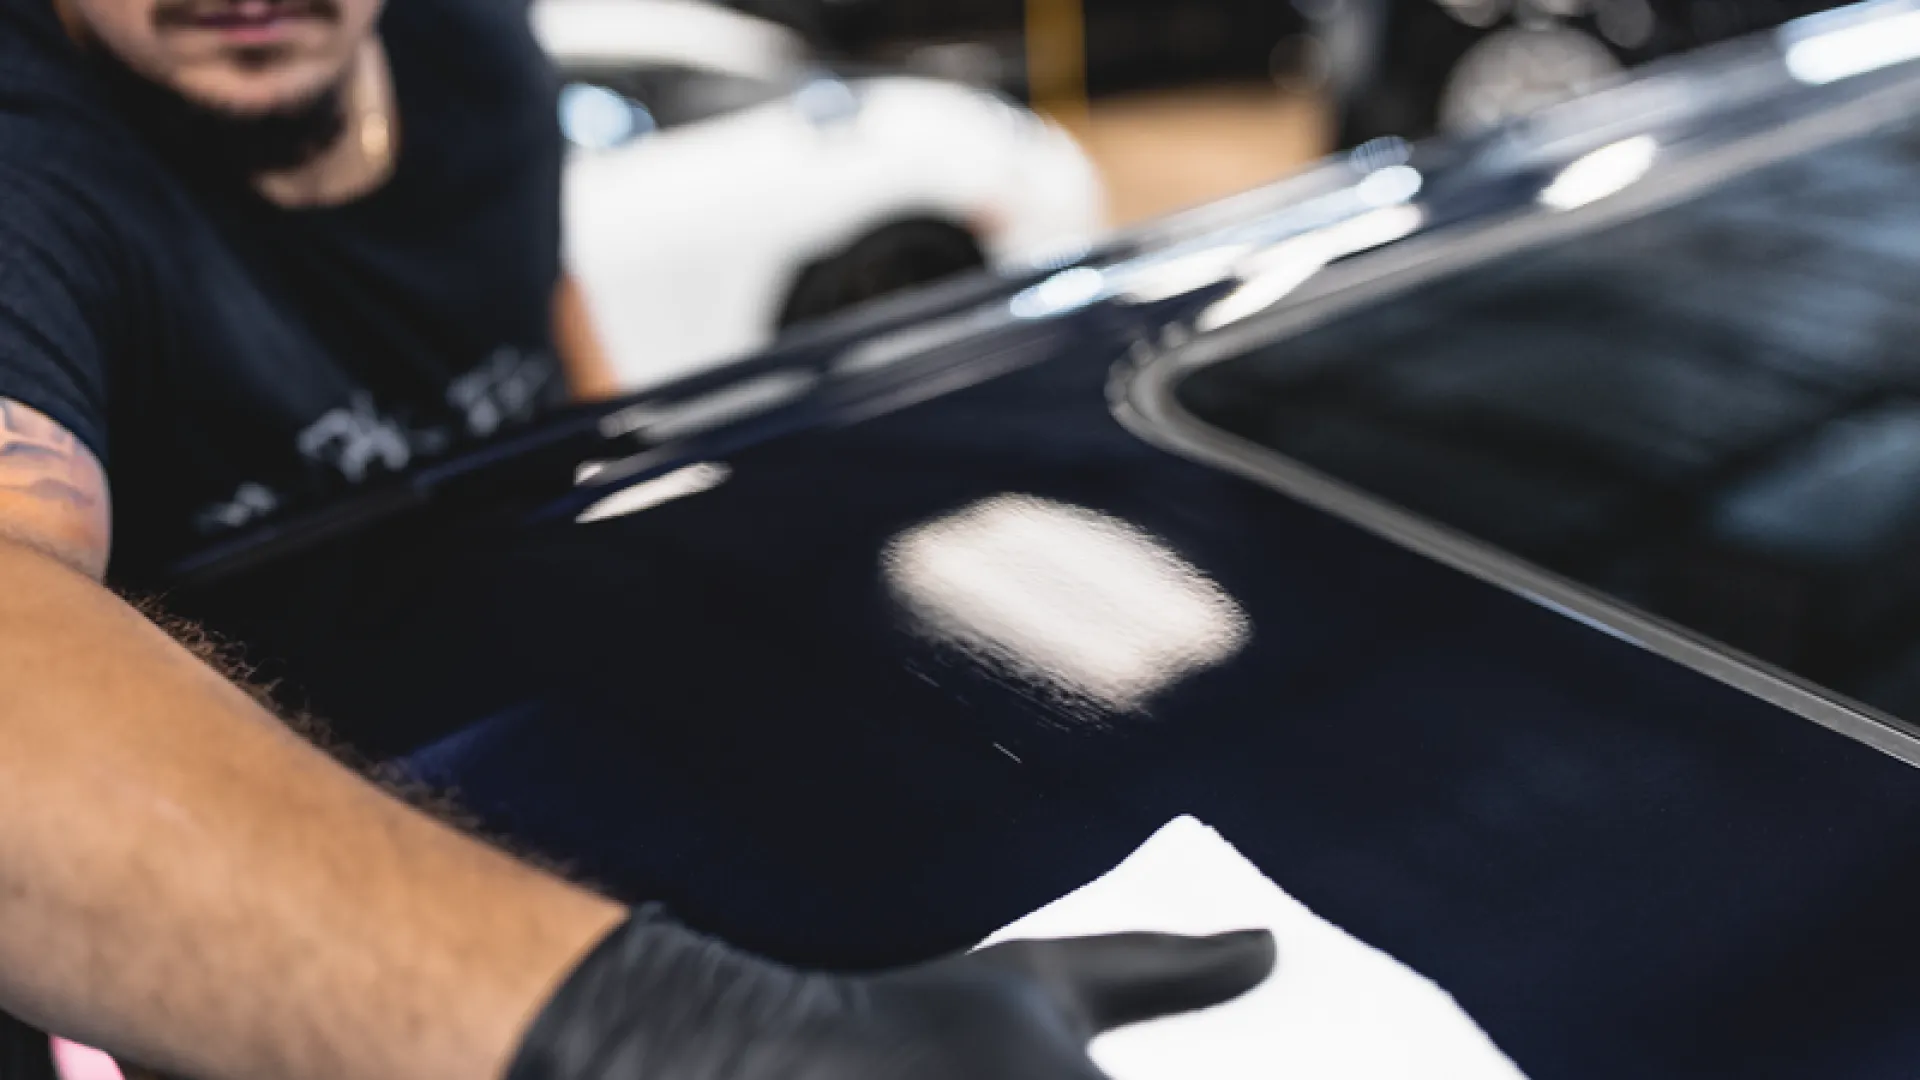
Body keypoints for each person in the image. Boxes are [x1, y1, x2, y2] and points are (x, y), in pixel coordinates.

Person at [0, 0, 1277, 1076]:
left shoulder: (468, 44)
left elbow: (541, 302)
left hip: (571, 773)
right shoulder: (33, 162)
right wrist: (691, 1038)